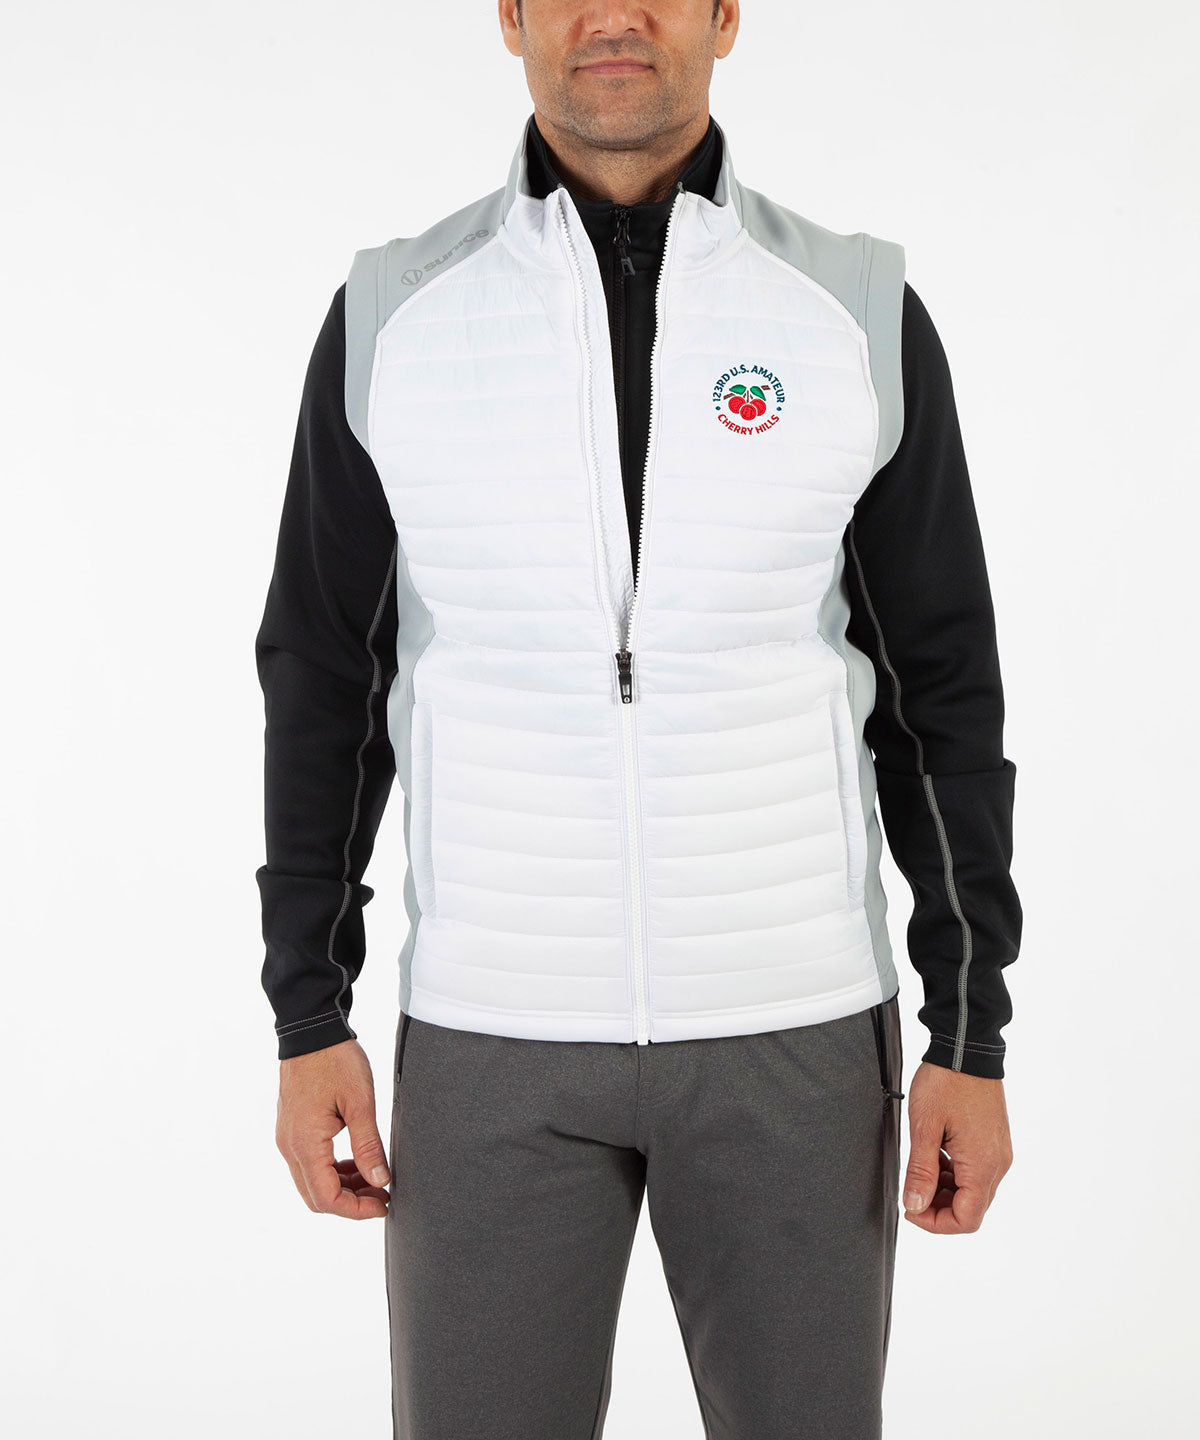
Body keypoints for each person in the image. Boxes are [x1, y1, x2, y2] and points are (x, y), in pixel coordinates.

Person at [253, 2, 1022, 1435]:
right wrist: (309, 1009)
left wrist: (968, 1032)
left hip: (794, 1034)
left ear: (726, 14)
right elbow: (322, 680)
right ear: (511, 15)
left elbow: (941, 692)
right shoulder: (391, 318)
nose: (613, 13)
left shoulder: (854, 311)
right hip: (492, 1039)